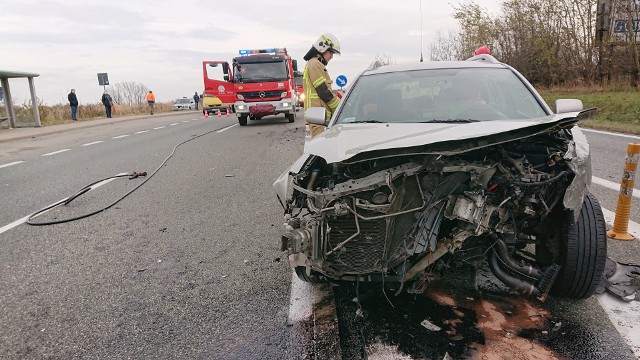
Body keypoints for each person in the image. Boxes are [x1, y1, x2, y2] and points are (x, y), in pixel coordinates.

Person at [302, 33, 341, 138]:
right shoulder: (315, 64)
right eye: (331, 53)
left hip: (319, 117)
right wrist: (339, 108)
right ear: (322, 49)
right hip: (317, 118)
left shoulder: (316, 64)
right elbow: (323, 91)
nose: (331, 57)